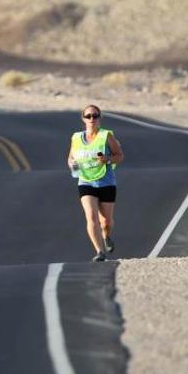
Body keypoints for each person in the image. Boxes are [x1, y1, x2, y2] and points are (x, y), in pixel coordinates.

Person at [67, 104, 124, 262]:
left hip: (106, 181)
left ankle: (107, 236)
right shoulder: (76, 137)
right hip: (85, 182)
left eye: (95, 116)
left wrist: (107, 159)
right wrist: (73, 164)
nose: (92, 119)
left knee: (105, 221)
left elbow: (119, 156)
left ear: (100, 118)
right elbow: (71, 157)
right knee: (91, 217)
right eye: (88, 116)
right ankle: (100, 252)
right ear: (83, 119)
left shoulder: (106, 136)